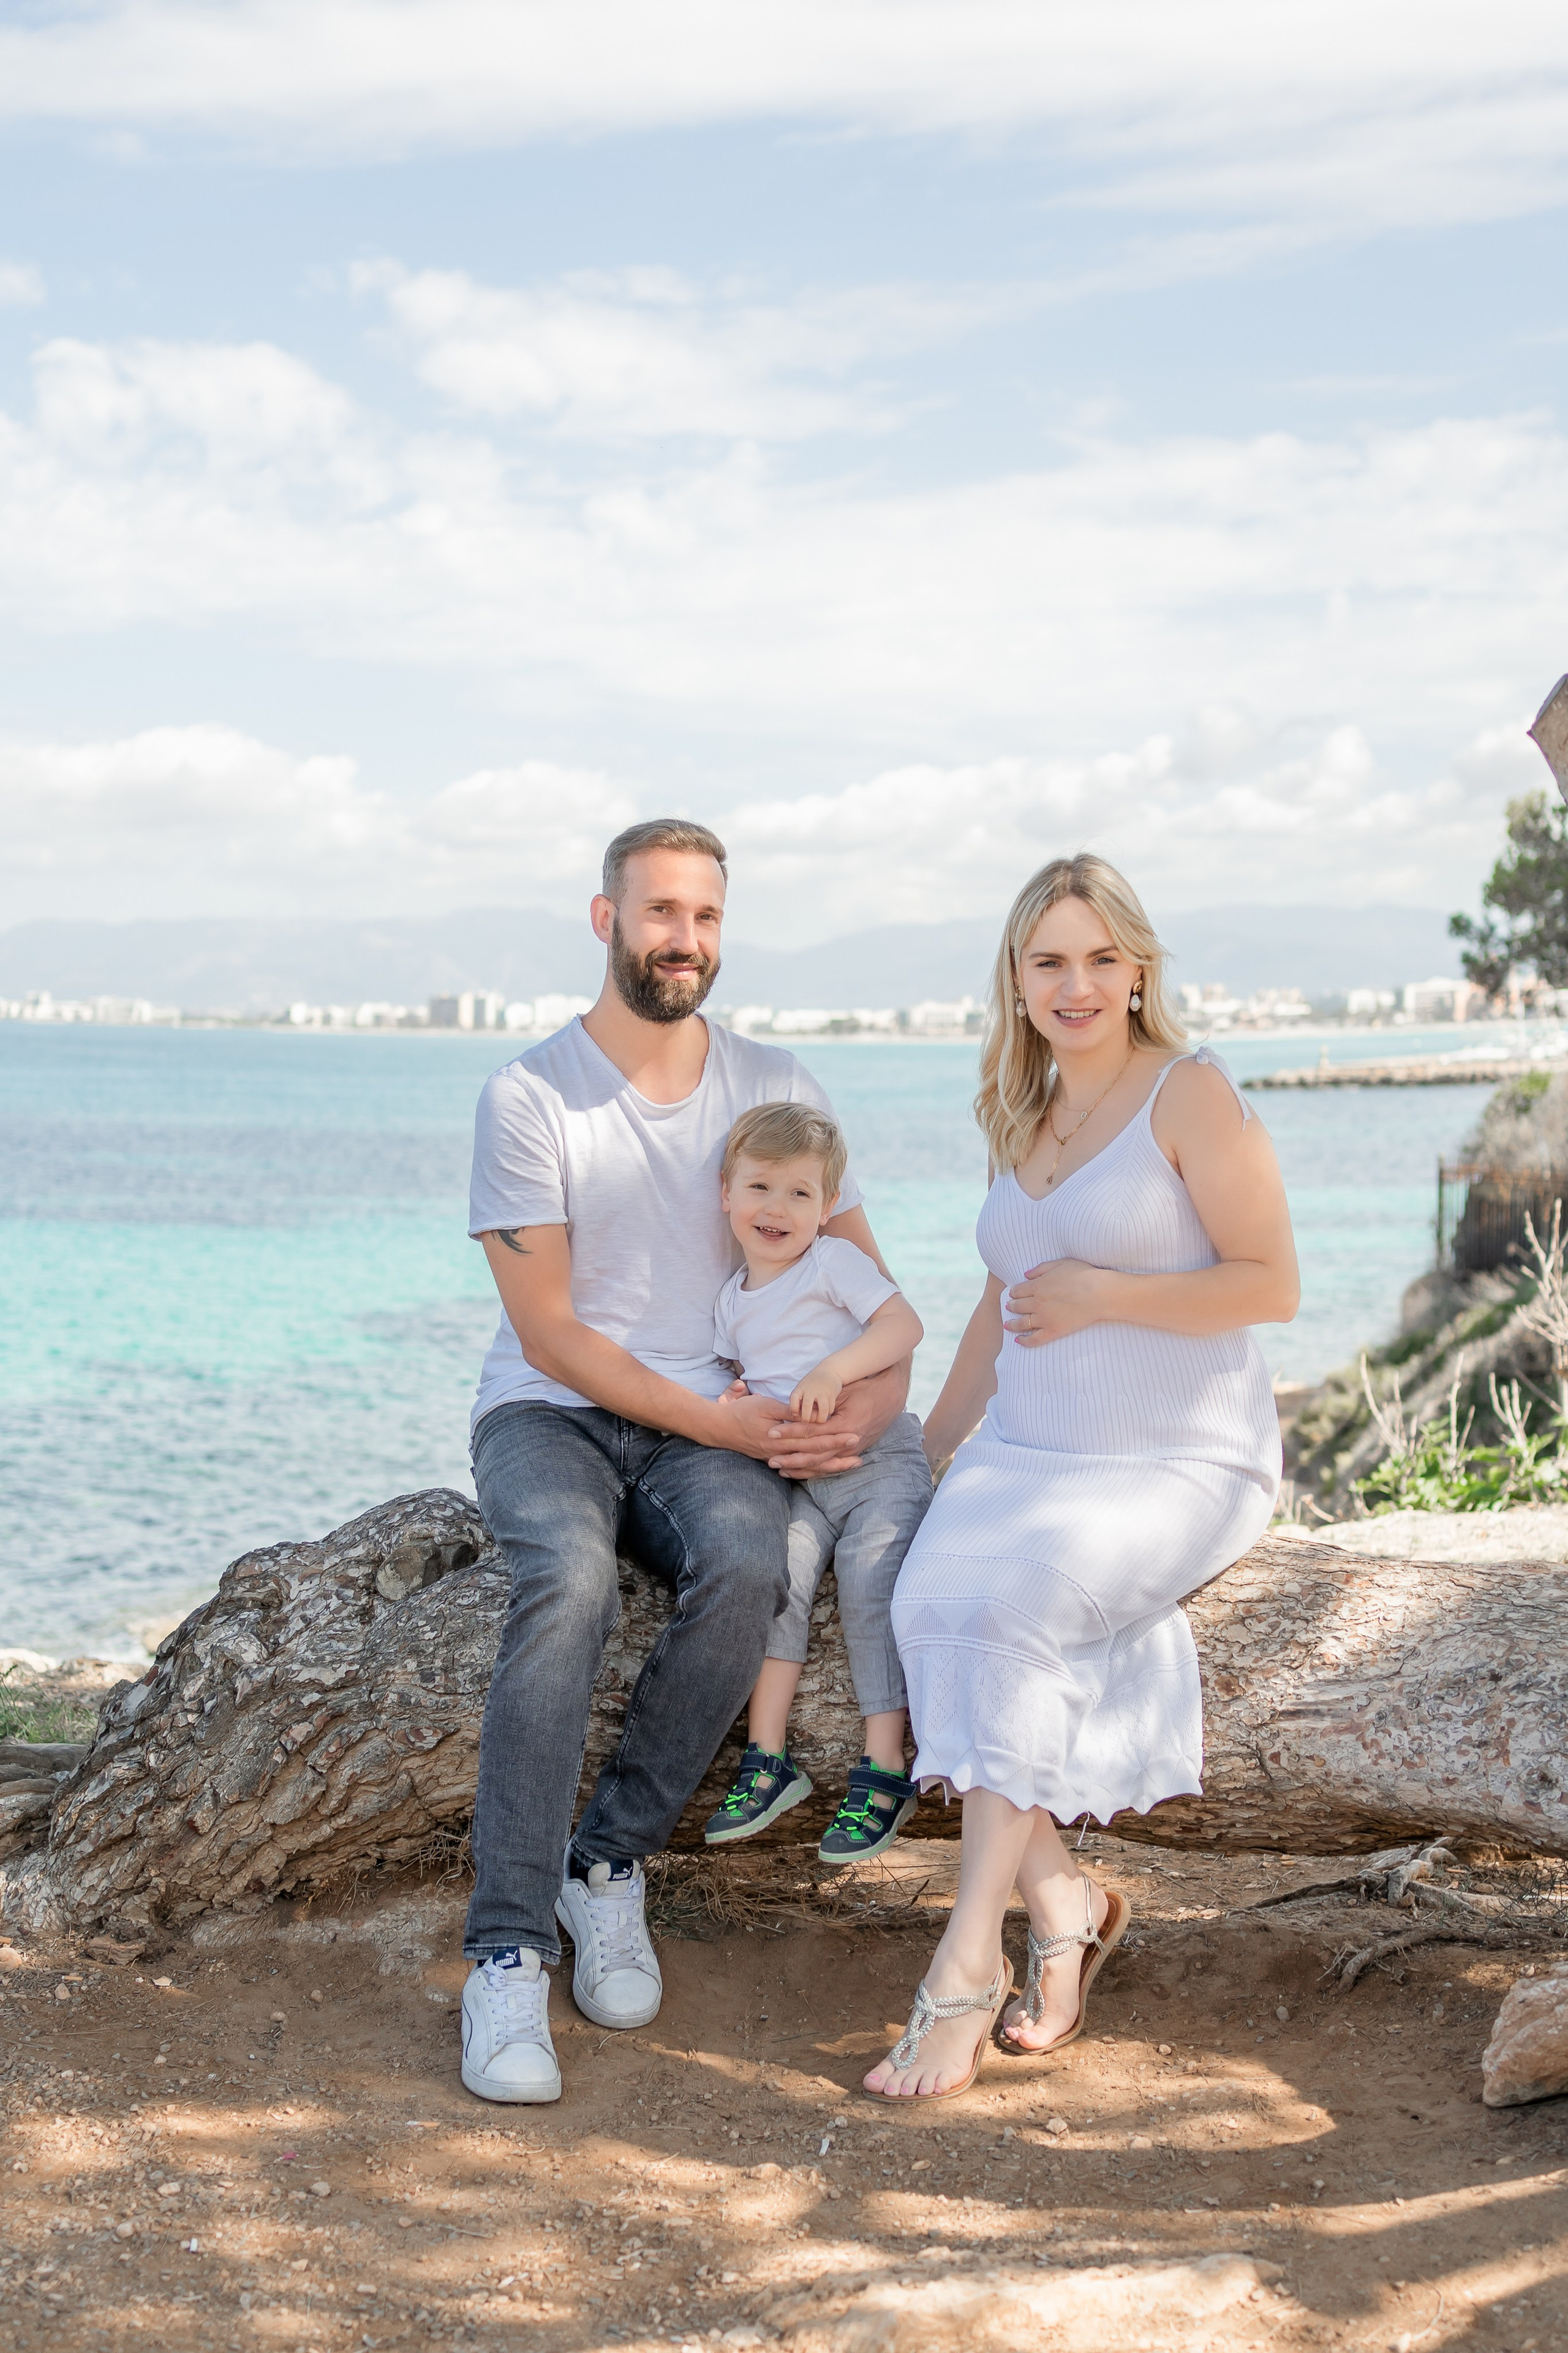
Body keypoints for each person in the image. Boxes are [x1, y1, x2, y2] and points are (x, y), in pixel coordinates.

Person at [458, 817, 910, 2107]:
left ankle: (606, 1865)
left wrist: (858, 1421)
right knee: (569, 1583)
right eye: (660, 914)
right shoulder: (529, 1094)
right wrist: (730, 1424)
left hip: (706, 1429)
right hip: (548, 1414)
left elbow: (873, 1290)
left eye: (705, 917)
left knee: (749, 1558)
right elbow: (550, 1331)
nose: (684, 941)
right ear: (605, 920)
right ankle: (502, 1951)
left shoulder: (777, 1090)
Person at [864, 853, 1299, 2102]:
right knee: (922, 1607)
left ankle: (962, 1967)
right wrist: (920, 1444)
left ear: (1137, 969)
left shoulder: (1189, 1094)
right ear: (1015, 977)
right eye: (1049, 960)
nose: (1075, 983)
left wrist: (1107, 1292)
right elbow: (998, 1305)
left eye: (1099, 957)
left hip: (1175, 1456)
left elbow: (1270, 1281)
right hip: (1024, 1452)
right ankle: (1064, 1902)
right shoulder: (1024, 1108)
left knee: (1011, 1614)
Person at [699, 1101, 933, 1864]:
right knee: (779, 1579)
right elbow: (742, 1377)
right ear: (725, 1195)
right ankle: (768, 1759)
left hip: (879, 1465)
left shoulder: (832, 1263)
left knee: (870, 1581)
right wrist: (735, 1405)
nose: (778, 1208)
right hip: (805, 1488)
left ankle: (884, 1766)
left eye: (801, 1193)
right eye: (760, 1187)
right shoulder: (731, 1301)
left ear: (828, 1207)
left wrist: (836, 1369)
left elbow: (903, 1327)